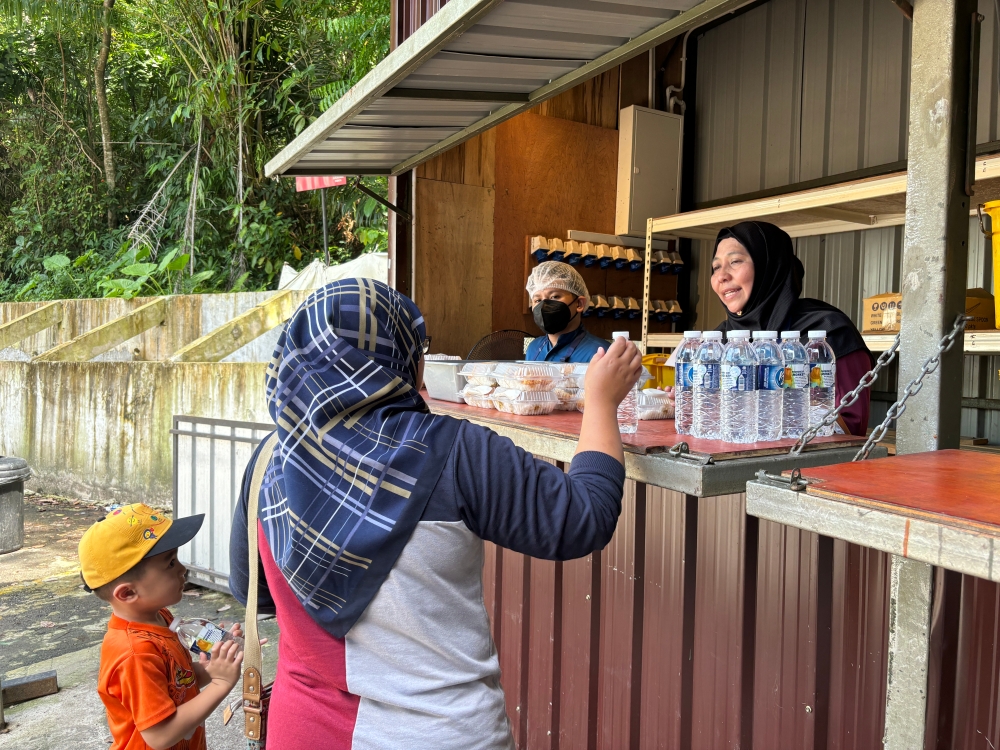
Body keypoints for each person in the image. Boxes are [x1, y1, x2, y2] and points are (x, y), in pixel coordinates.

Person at [229, 278, 641, 750]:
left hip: (302, 731)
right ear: (399, 357)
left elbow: (252, 594)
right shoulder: (454, 451)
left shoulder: (268, 462)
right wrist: (603, 403)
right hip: (440, 733)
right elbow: (582, 518)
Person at [79, 503, 245, 750]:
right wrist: (220, 684)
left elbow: (178, 684)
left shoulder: (161, 618)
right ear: (127, 593)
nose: (182, 569)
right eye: (170, 564)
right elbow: (160, 735)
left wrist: (212, 667)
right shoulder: (134, 654)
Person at [710, 220, 874, 435]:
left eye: (735, 261)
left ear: (769, 265)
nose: (721, 276)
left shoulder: (828, 332)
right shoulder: (721, 338)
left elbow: (849, 429)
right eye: (715, 267)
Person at [524, 260, 609, 362]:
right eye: (537, 300)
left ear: (579, 304)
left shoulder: (600, 353)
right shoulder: (533, 348)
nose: (544, 305)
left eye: (555, 296)